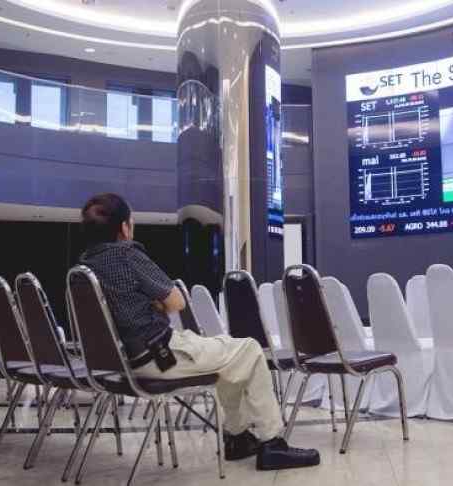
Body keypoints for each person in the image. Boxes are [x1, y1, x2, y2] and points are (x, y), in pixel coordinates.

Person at [78, 193, 320, 471]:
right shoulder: (126, 253)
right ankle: (272, 442)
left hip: (128, 361)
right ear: (124, 227)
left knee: (231, 357)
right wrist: (156, 301)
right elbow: (176, 301)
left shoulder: (85, 266)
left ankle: (238, 436)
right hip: (160, 355)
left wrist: (151, 302)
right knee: (251, 349)